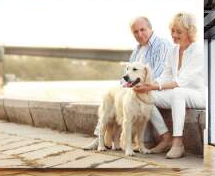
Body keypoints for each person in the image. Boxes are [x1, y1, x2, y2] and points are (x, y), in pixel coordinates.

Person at [83, 16, 171, 150]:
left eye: (143, 30)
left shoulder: (162, 44)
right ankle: (101, 137)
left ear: (150, 28)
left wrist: (142, 86)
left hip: (155, 88)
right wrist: (124, 87)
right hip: (136, 90)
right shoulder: (136, 50)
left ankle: (165, 138)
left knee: (146, 100)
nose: (139, 34)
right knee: (117, 98)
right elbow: (127, 77)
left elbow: (159, 73)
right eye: (135, 32)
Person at [133, 12, 205, 159]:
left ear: (189, 32)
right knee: (144, 96)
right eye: (172, 30)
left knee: (178, 92)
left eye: (179, 31)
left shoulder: (198, 51)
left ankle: (178, 143)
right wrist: (147, 85)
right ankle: (166, 138)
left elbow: (180, 82)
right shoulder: (173, 51)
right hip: (176, 93)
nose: (173, 34)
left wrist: (152, 87)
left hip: (197, 94)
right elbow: (164, 77)